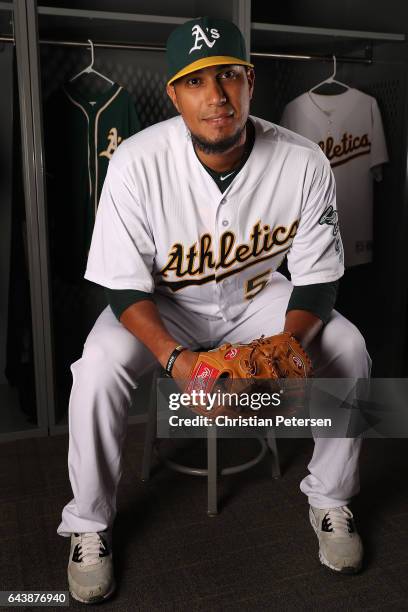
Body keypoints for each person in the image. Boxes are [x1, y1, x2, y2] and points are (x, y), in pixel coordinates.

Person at [57, 17, 371, 604]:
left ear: (250, 81)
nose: (217, 96)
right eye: (197, 81)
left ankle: (331, 500)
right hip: (165, 306)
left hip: (257, 297)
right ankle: (87, 526)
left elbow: (318, 280)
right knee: (96, 367)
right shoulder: (136, 163)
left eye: (228, 76)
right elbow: (124, 290)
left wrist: (281, 348)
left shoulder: (303, 160)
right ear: (175, 93)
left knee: (349, 347)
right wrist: (179, 363)